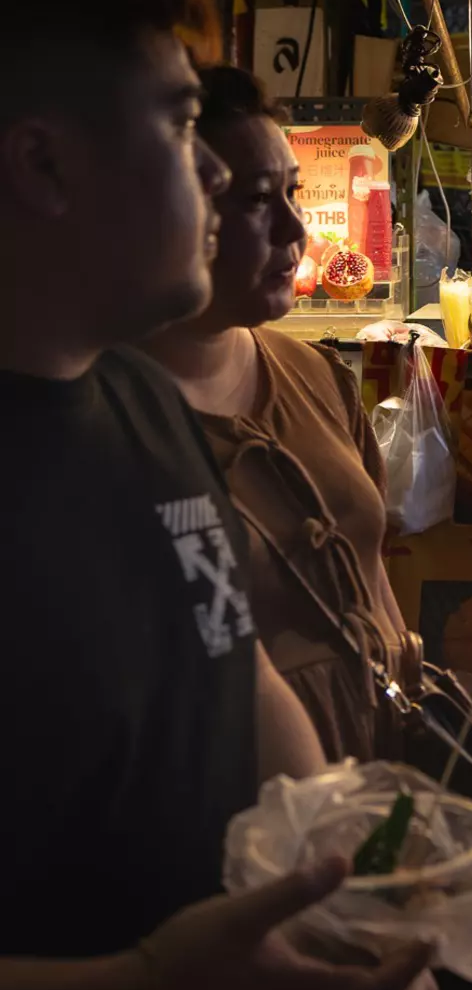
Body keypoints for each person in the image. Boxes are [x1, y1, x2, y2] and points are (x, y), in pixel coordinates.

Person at [0, 0, 433, 990]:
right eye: (179, 124)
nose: (213, 179)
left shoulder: (140, 402)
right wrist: (143, 984)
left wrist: (356, 900)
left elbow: (231, 672)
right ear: (44, 163)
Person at [146, 67, 413, 764]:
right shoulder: (116, 418)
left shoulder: (315, 374)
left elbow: (370, 566)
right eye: (257, 200)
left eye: (293, 191)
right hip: (242, 827)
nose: (297, 228)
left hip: (377, 778)